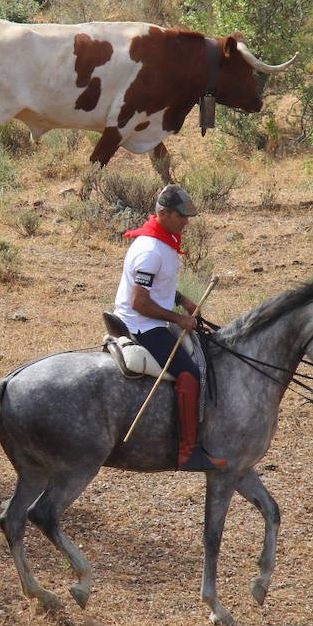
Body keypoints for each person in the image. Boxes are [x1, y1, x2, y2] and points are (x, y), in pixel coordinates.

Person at [113, 184, 223, 471]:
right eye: (181, 216)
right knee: (188, 373)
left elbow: (157, 287)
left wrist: (182, 300)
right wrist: (179, 319)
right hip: (141, 325)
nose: (186, 222)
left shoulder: (162, 240)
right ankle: (188, 451)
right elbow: (140, 302)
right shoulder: (151, 250)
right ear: (162, 213)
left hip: (147, 318)